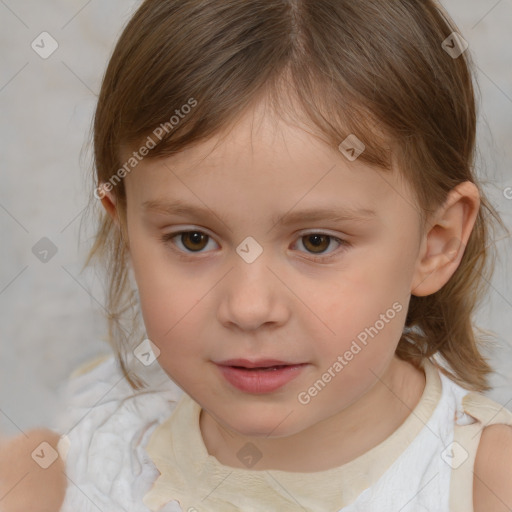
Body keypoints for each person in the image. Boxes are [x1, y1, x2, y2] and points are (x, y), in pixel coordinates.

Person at [2, 1, 512, 511]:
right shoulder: (66, 468)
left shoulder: (482, 484)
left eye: (317, 242)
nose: (248, 308)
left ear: (436, 242)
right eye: (193, 239)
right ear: (126, 228)